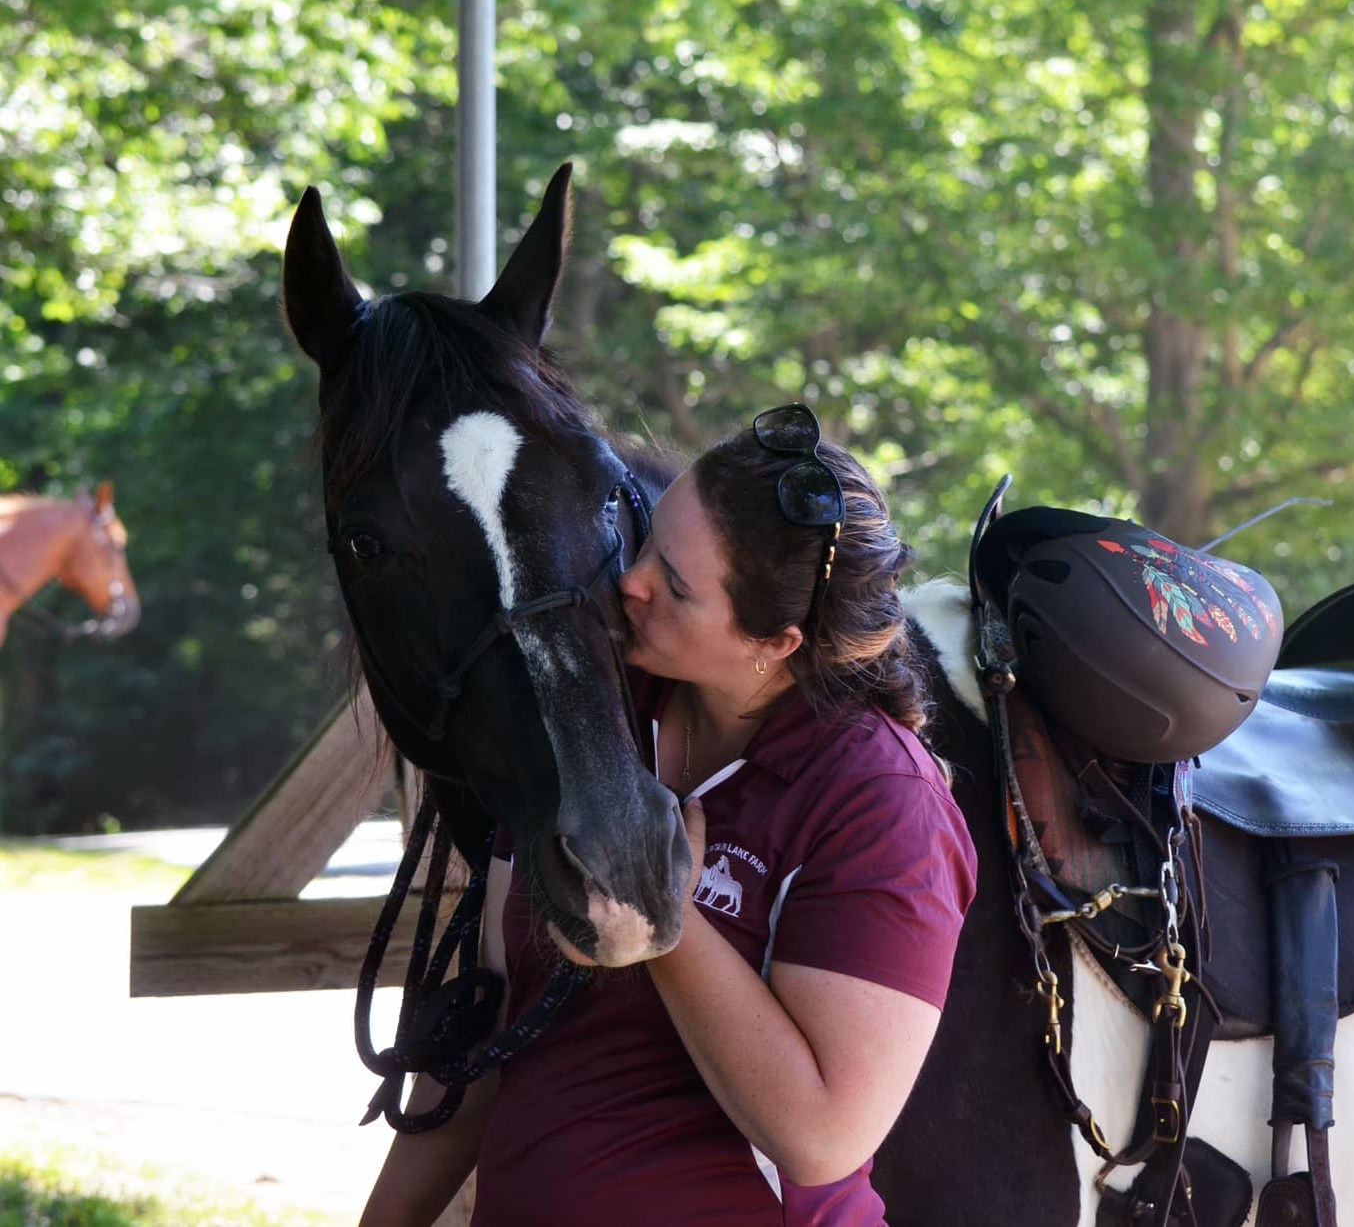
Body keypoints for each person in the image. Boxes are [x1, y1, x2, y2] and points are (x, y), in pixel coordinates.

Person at [360, 403, 978, 1227]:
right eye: (649, 539)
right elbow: (491, 1022)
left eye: (677, 586)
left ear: (776, 644)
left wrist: (667, 922)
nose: (631, 581)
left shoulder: (878, 804)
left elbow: (823, 1136)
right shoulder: (594, 720)